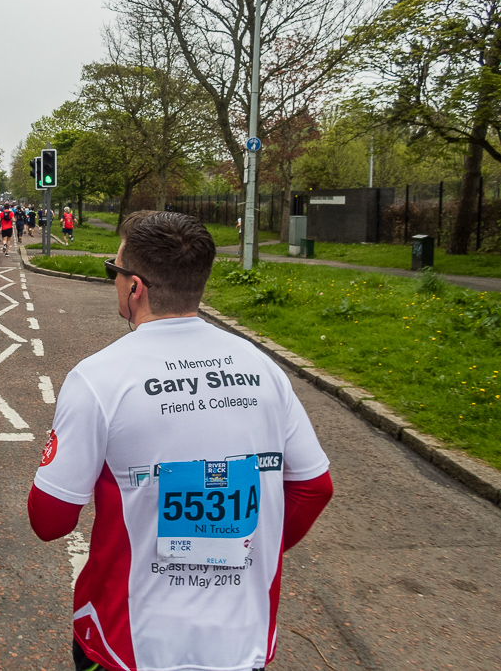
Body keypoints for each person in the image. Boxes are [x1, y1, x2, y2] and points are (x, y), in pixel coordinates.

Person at [28, 211, 333, 671]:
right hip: (241, 637)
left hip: (128, 639)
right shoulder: (264, 369)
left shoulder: (98, 378)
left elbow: (50, 519)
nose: (114, 281)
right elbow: (314, 486)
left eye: (114, 270)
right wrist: (241, 546)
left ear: (136, 287)